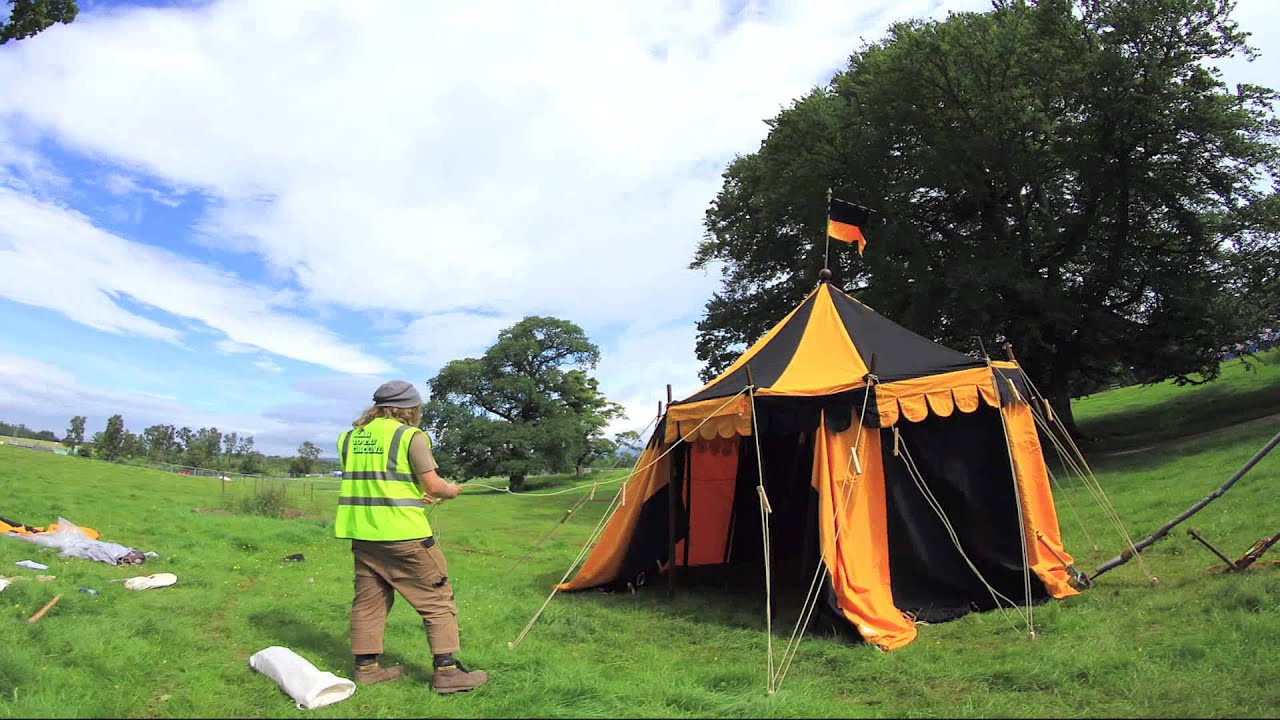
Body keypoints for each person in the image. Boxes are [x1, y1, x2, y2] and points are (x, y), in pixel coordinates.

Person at [335, 379, 488, 694]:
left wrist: (415, 493)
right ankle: (447, 673)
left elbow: (378, 480)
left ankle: (367, 669)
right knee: (437, 599)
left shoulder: (348, 439)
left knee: (369, 600)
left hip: (363, 536)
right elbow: (434, 485)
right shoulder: (411, 437)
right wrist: (450, 490)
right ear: (410, 409)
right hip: (405, 537)